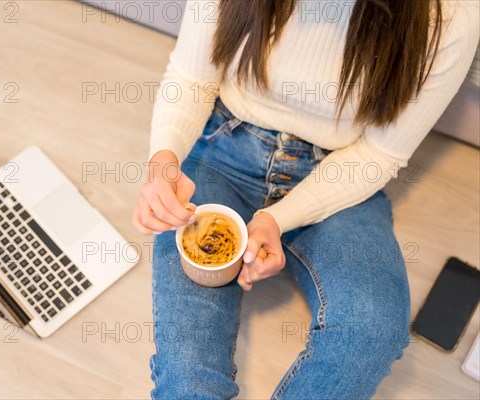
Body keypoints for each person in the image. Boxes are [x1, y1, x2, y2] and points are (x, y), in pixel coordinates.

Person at [132, 0, 479, 398]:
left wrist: (279, 218)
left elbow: (379, 155)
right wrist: (164, 159)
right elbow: (191, 79)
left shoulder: (452, 16)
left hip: (342, 172)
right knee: (189, 377)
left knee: (371, 330)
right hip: (222, 146)